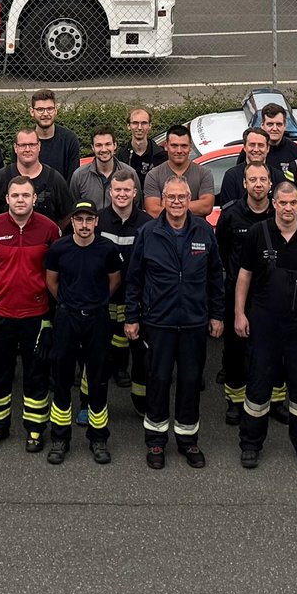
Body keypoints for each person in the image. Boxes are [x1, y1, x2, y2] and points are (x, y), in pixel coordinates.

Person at [126, 174, 225, 470]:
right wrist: (132, 317)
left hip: (194, 322)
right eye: (172, 197)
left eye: (183, 197)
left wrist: (217, 314)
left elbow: (215, 277)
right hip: (159, 321)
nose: (178, 202)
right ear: (163, 200)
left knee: (191, 381)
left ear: (189, 199)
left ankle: (187, 439)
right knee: (157, 380)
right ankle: (156, 441)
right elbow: (134, 280)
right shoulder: (148, 233)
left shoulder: (204, 232)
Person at [233, 180, 297, 469]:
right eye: (283, 203)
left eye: (293, 203)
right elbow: (244, 277)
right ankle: (250, 444)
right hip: (264, 323)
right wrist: (240, 313)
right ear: (273, 203)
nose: (288, 208)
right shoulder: (258, 233)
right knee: (258, 386)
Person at [0, 177, 60, 452]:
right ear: (7, 199)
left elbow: (56, 271)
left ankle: (35, 429)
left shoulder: (49, 230)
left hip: (36, 314)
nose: (21, 200)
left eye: (26, 195)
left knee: (36, 373)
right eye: (16, 195)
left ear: (35, 199)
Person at [45, 200, 125, 464]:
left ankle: (99, 438)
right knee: (62, 380)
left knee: (99, 381)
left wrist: (97, 302)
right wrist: (69, 303)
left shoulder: (107, 249)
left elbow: (114, 281)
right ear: (72, 222)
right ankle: (60, 439)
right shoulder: (59, 248)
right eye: (78, 220)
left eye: (89, 220)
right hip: (67, 318)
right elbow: (51, 281)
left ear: (96, 222)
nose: (84, 225)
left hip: (97, 319)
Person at [214, 161, 276, 423]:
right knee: (236, 351)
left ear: (270, 183)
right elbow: (221, 254)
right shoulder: (230, 216)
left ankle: (275, 399)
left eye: (263, 179)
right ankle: (235, 402)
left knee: (271, 349)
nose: (258, 184)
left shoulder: (280, 213)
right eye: (253, 180)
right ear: (244, 183)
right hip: (237, 294)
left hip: (271, 295)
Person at [97, 169, 153, 408]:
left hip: (136, 297)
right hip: (105, 296)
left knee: (140, 352)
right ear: (110, 193)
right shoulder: (98, 220)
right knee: (102, 346)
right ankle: (96, 399)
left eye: (126, 190)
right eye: (117, 190)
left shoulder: (147, 224)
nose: (121, 194)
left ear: (135, 193)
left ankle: (141, 400)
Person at [0, 129, 72, 224]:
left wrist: (53, 235)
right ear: (15, 148)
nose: (27, 149)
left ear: (39, 146)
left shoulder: (55, 179)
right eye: (23, 145)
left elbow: (67, 215)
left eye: (32, 145)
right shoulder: (0, 178)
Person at [143, 124, 215, 218]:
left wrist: (167, 206)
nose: (179, 150)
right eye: (174, 146)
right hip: (163, 232)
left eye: (184, 146)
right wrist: (194, 205)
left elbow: (206, 207)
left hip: (195, 231)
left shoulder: (204, 174)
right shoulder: (153, 175)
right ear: (166, 146)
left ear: (190, 147)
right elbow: (153, 211)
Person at [70, 127, 140, 209]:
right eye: (98, 145)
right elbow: (73, 209)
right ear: (92, 147)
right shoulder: (79, 176)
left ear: (115, 145)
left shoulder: (130, 174)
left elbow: (137, 207)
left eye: (108, 144)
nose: (104, 149)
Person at [26, 89, 81, 178]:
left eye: (49, 109)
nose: (45, 113)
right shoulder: (24, 141)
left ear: (55, 110)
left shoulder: (69, 140)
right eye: (40, 109)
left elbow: (73, 180)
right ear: (32, 112)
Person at [215, 129, 275, 207]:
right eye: (252, 145)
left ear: (268, 148)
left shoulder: (278, 176)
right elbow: (228, 212)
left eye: (260, 145)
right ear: (244, 147)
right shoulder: (231, 176)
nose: (256, 149)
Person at [255, 103, 297, 181]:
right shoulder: (252, 151)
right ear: (262, 125)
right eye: (270, 124)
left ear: (285, 125)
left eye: (279, 124)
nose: (275, 128)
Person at [120, 106, 162, 181]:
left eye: (144, 123)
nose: (139, 127)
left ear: (150, 126)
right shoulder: (120, 157)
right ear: (128, 126)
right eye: (135, 123)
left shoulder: (161, 156)